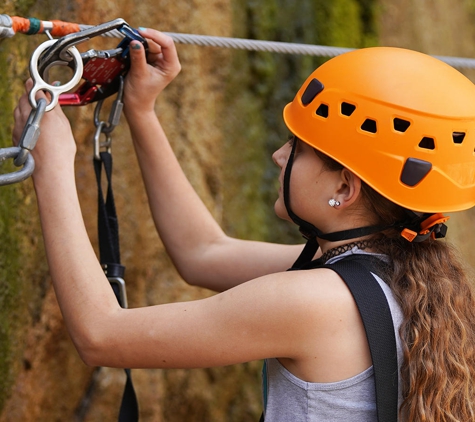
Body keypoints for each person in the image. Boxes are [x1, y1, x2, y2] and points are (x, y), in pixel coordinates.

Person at [13, 29, 475, 421]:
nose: (278, 155)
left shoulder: (315, 300)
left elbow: (101, 336)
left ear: (346, 188)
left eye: (298, 146)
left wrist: (52, 166)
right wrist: (142, 110)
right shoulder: (399, 275)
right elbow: (203, 254)